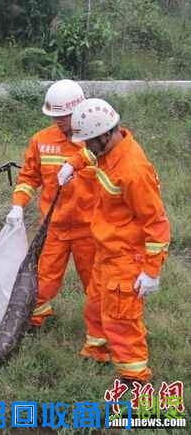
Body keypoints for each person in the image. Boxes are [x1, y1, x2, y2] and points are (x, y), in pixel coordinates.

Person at [57, 98, 170, 382]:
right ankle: (98, 351)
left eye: (87, 142)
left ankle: (134, 379)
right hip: (106, 251)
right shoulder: (110, 147)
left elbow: (156, 223)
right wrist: (73, 163)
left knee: (121, 321)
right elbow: (92, 156)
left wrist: (151, 270)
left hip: (126, 259)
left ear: (105, 135)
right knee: (95, 305)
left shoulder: (133, 171)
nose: (84, 148)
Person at [7, 79, 96, 329]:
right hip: (54, 227)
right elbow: (29, 177)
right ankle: (36, 323)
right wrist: (18, 204)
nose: (58, 120)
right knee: (42, 281)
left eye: (64, 116)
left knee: (96, 283)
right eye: (54, 116)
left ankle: (100, 334)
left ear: (79, 110)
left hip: (89, 229)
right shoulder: (41, 140)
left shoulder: (96, 141)